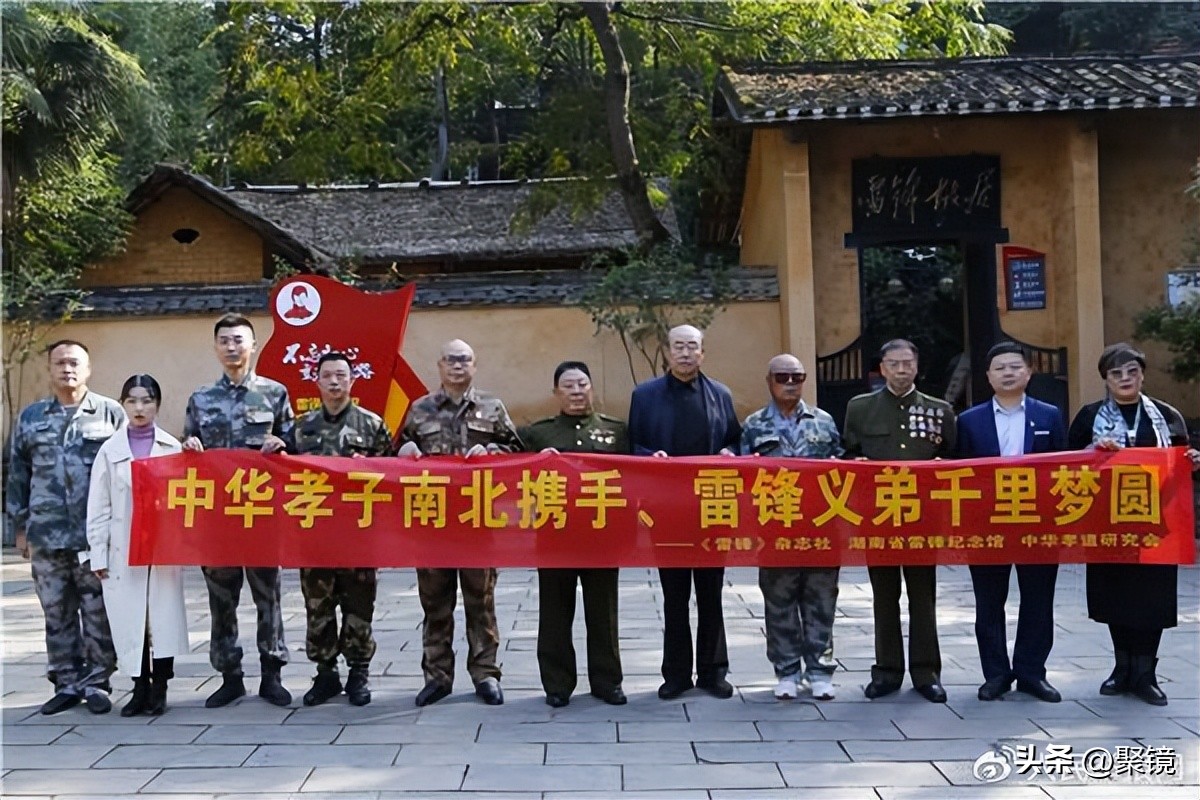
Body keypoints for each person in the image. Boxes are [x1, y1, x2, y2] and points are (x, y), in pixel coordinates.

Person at [1068, 343, 1200, 706]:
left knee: (1151, 599)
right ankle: (1121, 667)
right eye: (1116, 374)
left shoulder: (1167, 415)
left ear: (1142, 374)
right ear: (1105, 380)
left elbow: (1181, 462)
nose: (1125, 379)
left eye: (1131, 372)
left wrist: (1193, 460)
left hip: (1155, 524)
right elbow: (1067, 467)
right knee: (1116, 596)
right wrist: (1094, 453)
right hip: (1108, 524)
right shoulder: (1088, 416)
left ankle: (1146, 673)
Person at [396, 339, 522, 707]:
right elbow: (396, 456)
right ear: (439, 365)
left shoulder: (491, 407)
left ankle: (485, 674)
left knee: (480, 602)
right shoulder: (419, 410)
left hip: (478, 521)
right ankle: (437, 677)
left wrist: (492, 451)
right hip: (432, 521)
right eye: (450, 360)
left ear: (474, 366)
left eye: (464, 360)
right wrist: (404, 451)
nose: (457, 366)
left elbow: (517, 451)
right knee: (435, 604)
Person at [264, 351, 392, 707]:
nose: (335, 382)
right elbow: (280, 474)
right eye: (328, 376)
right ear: (317, 381)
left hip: (358, 538)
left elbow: (394, 477)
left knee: (359, 607)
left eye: (341, 376)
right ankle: (325, 675)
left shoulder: (372, 425)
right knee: (318, 608)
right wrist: (275, 450)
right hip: (315, 537)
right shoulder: (300, 428)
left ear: (352, 381)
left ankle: (358, 674)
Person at [183, 313, 294, 708]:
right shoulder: (201, 399)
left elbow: (294, 451)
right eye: (225, 340)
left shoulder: (275, 394)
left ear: (253, 345)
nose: (232, 347)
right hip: (219, 520)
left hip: (262, 515)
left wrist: (279, 447)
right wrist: (190, 449)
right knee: (221, 600)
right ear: (215, 348)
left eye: (239, 340)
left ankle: (272, 674)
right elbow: (186, 453)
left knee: (270, 597)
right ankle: (229, 675)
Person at [7, 340, 123, 715]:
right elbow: (17, 474)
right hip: (46, 533)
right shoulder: (31, 417)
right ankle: (66, 682)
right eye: (59, 363)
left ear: (88, 369)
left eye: (74, 363)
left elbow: (127, 473)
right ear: (50, 369)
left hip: (95, 536)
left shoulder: (110, 414)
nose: (67, 369)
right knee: (56, 612)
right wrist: (18, 527)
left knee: (97, 612)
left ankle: (98, 682)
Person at [628, 324, 742, 700]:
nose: (685, 353)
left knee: (711, 593)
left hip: (712, 507)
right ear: (667, 352)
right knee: (674, 595)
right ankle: (676, 674)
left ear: (703, 353)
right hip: (668, 509)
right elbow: (633, 446)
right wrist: (650, 457)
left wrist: (730, 454)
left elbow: (733, 440)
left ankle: (713, 672)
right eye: (678, 346)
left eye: (692, 347)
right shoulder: (645, 396)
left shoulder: (720, 394)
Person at [843, 339, 956, 703]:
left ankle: (926, 672)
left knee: (924, 597)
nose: (901, 370)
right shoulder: (860, 408)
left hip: (924, 518)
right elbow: (848, 453)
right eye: (894, 364)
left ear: (917, 366)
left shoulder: (940, 411)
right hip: (878, 517)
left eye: (907, 363)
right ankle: (887, 671)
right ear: (882, 368)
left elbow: (955, 459)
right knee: (884, 596)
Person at [956, 342, 1067, 703]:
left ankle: (1032, 673)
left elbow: (1065, 469)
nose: (1007, 372)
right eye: (999, 367)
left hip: (1038, 525)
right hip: (986, 526)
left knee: (1038, 600)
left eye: (1015, 366)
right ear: (988, 376)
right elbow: (958, 476)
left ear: (1028, 373)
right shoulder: (969, 421)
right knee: (989, 602)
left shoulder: (1049, 415)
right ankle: (996, 674)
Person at [520, 360, 628, 708]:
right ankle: (557, 683)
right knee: (554, 613)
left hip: (601, 535)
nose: (577, 391)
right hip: (554, 536)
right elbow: (512, 475)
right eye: (568, 385)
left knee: (604, 613)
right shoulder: (538, 434)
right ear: (556, 393)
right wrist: (536, 462)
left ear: (591, 388)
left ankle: (607, 681)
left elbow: (633, 478)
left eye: (582, 384)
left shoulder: (616, 432)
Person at [740, 354, 844, 701]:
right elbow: (740, 476)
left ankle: (819, 670)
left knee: (821, 601)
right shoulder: (754, 425)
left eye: (797, 376)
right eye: (782, 376)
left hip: (820, 529)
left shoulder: (824, 421)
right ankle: (786, 671)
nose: (790, 383)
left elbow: (842, 468)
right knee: (779, 602)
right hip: (774, 529)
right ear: (769, 381)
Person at [86, 374, 190, 716]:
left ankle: (160, 687)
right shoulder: (110, 450)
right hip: (122, 549)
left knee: (162, 618)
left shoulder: (172, 448)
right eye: (132, 400)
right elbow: (98, 506)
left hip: (161, 550)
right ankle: (139, 686)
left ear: (158, 405)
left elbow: (187, 500)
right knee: (130, 620)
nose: (140, 407)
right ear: (123, 404)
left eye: (147, 400)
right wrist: (98, 552)